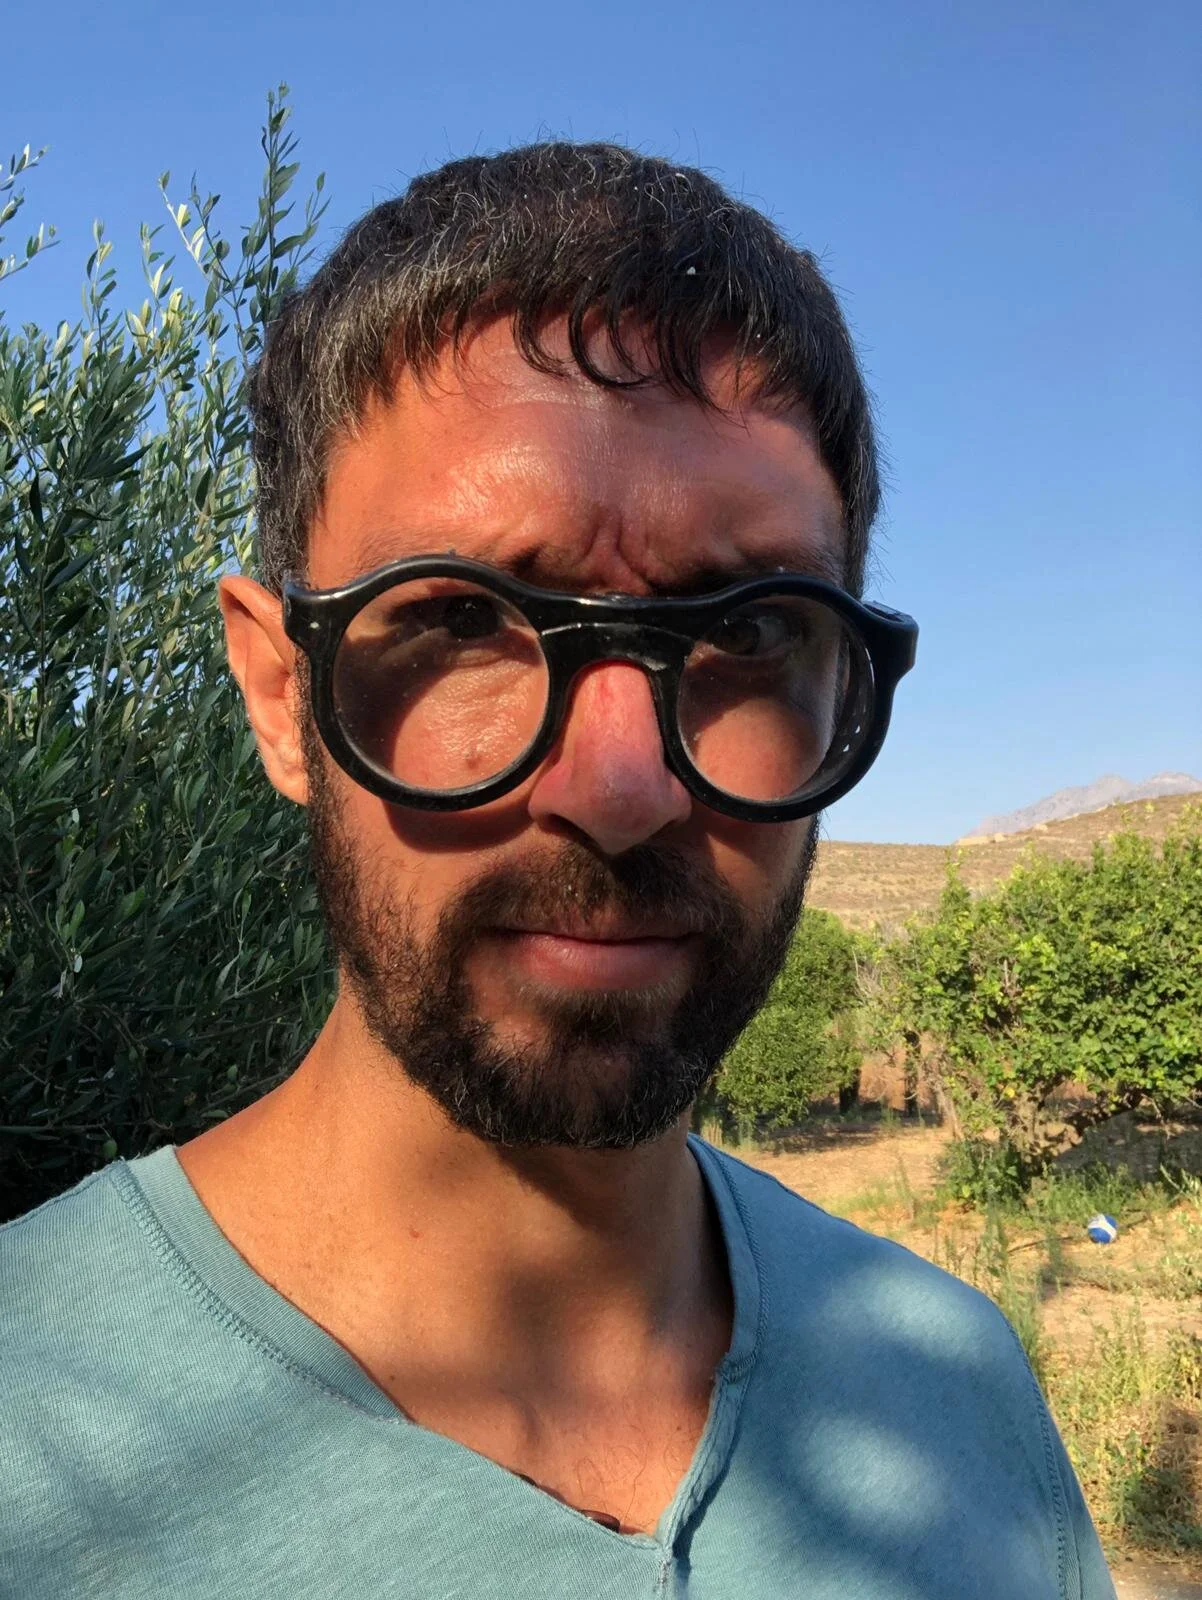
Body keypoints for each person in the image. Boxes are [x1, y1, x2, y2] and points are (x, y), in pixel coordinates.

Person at [0, 143, 1115, 1599]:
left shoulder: (961, 1393)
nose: (619, 788)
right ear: (280, 694)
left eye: (748, 632)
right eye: (464, 620)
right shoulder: (31, 1441)